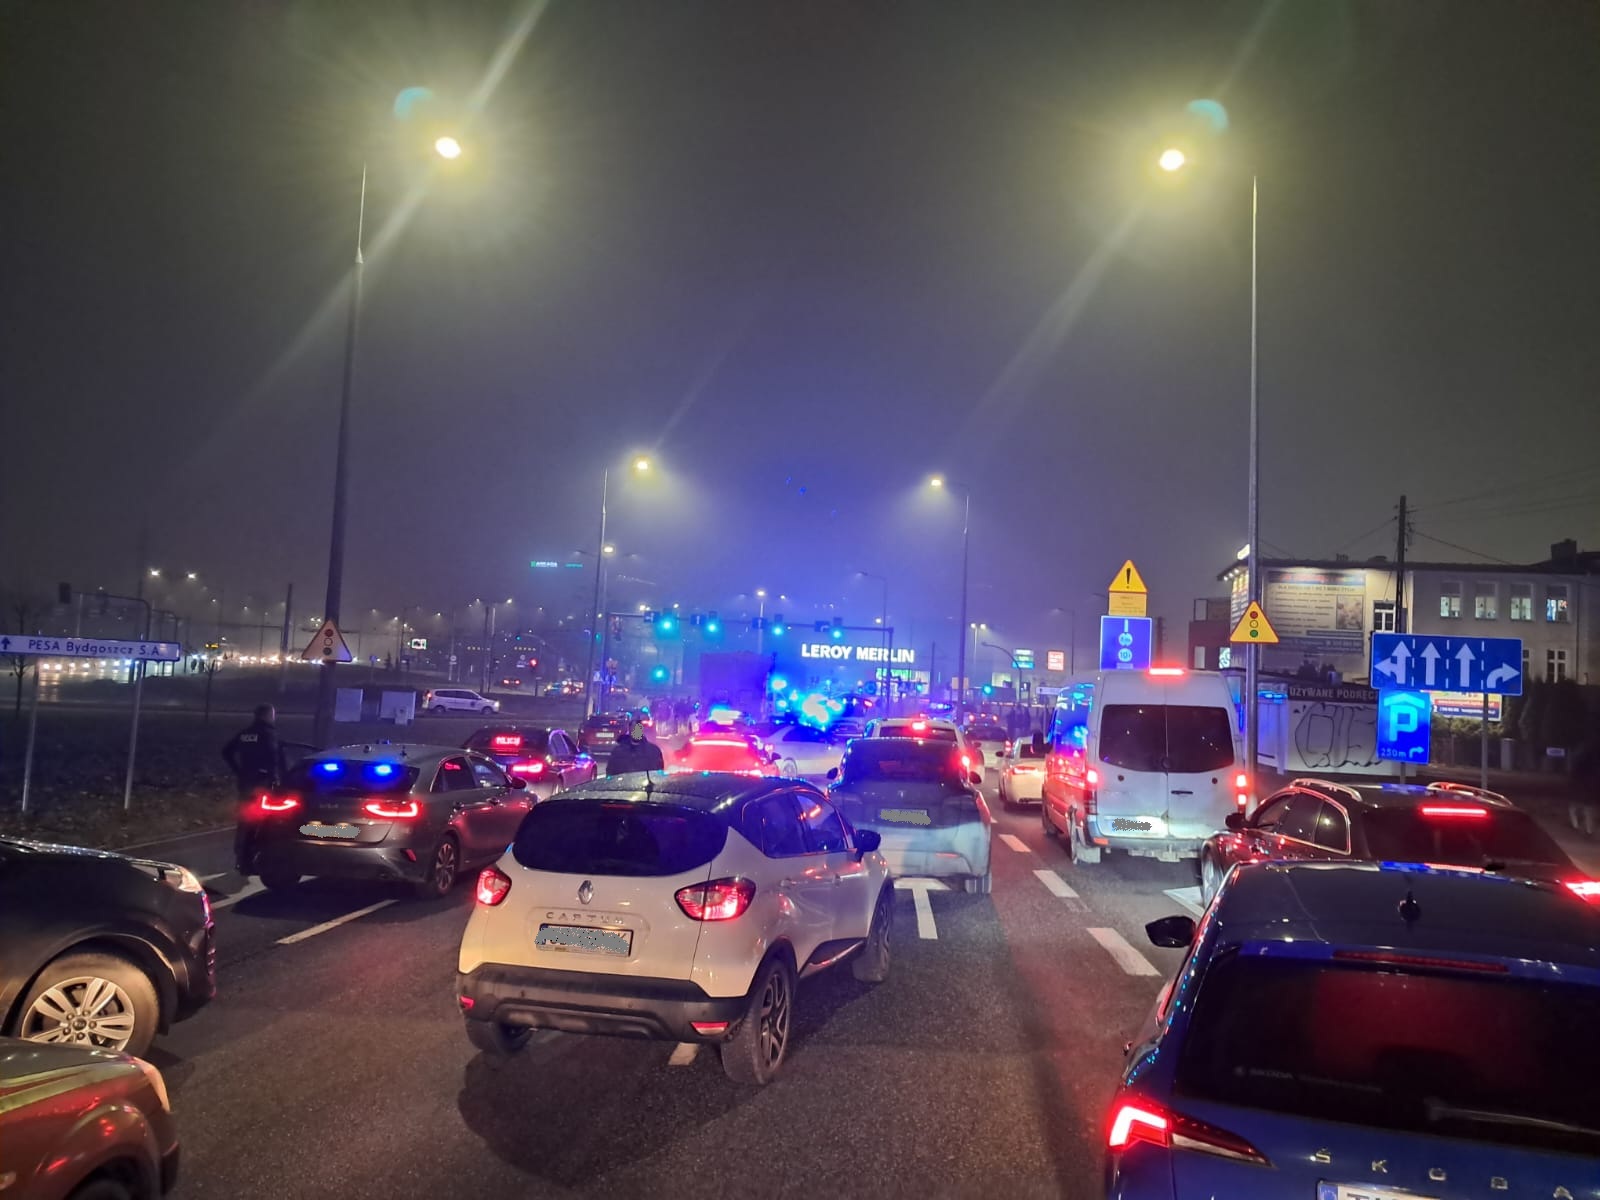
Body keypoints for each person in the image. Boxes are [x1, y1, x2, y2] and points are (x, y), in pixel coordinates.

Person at [223, 703, 289, 874]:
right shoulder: (269, 734)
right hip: (262, 784)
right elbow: (274, 759)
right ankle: (252, 859)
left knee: (245, 820)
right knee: (260, 821)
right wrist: (277, 779)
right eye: (272, 715)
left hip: (245, 783)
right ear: (267, 716)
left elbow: (226, 751)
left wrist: (239, 771)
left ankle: (241, 857)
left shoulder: (245, 733)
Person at [1570, 734, 1600, 838]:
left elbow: (1576, 769)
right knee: (1587, 807)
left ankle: (1581, 827)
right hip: (1588, 781)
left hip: (1585, 781)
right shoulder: (1590, 753)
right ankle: (1587, 829)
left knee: (1581, 806)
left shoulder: (1583, 752)